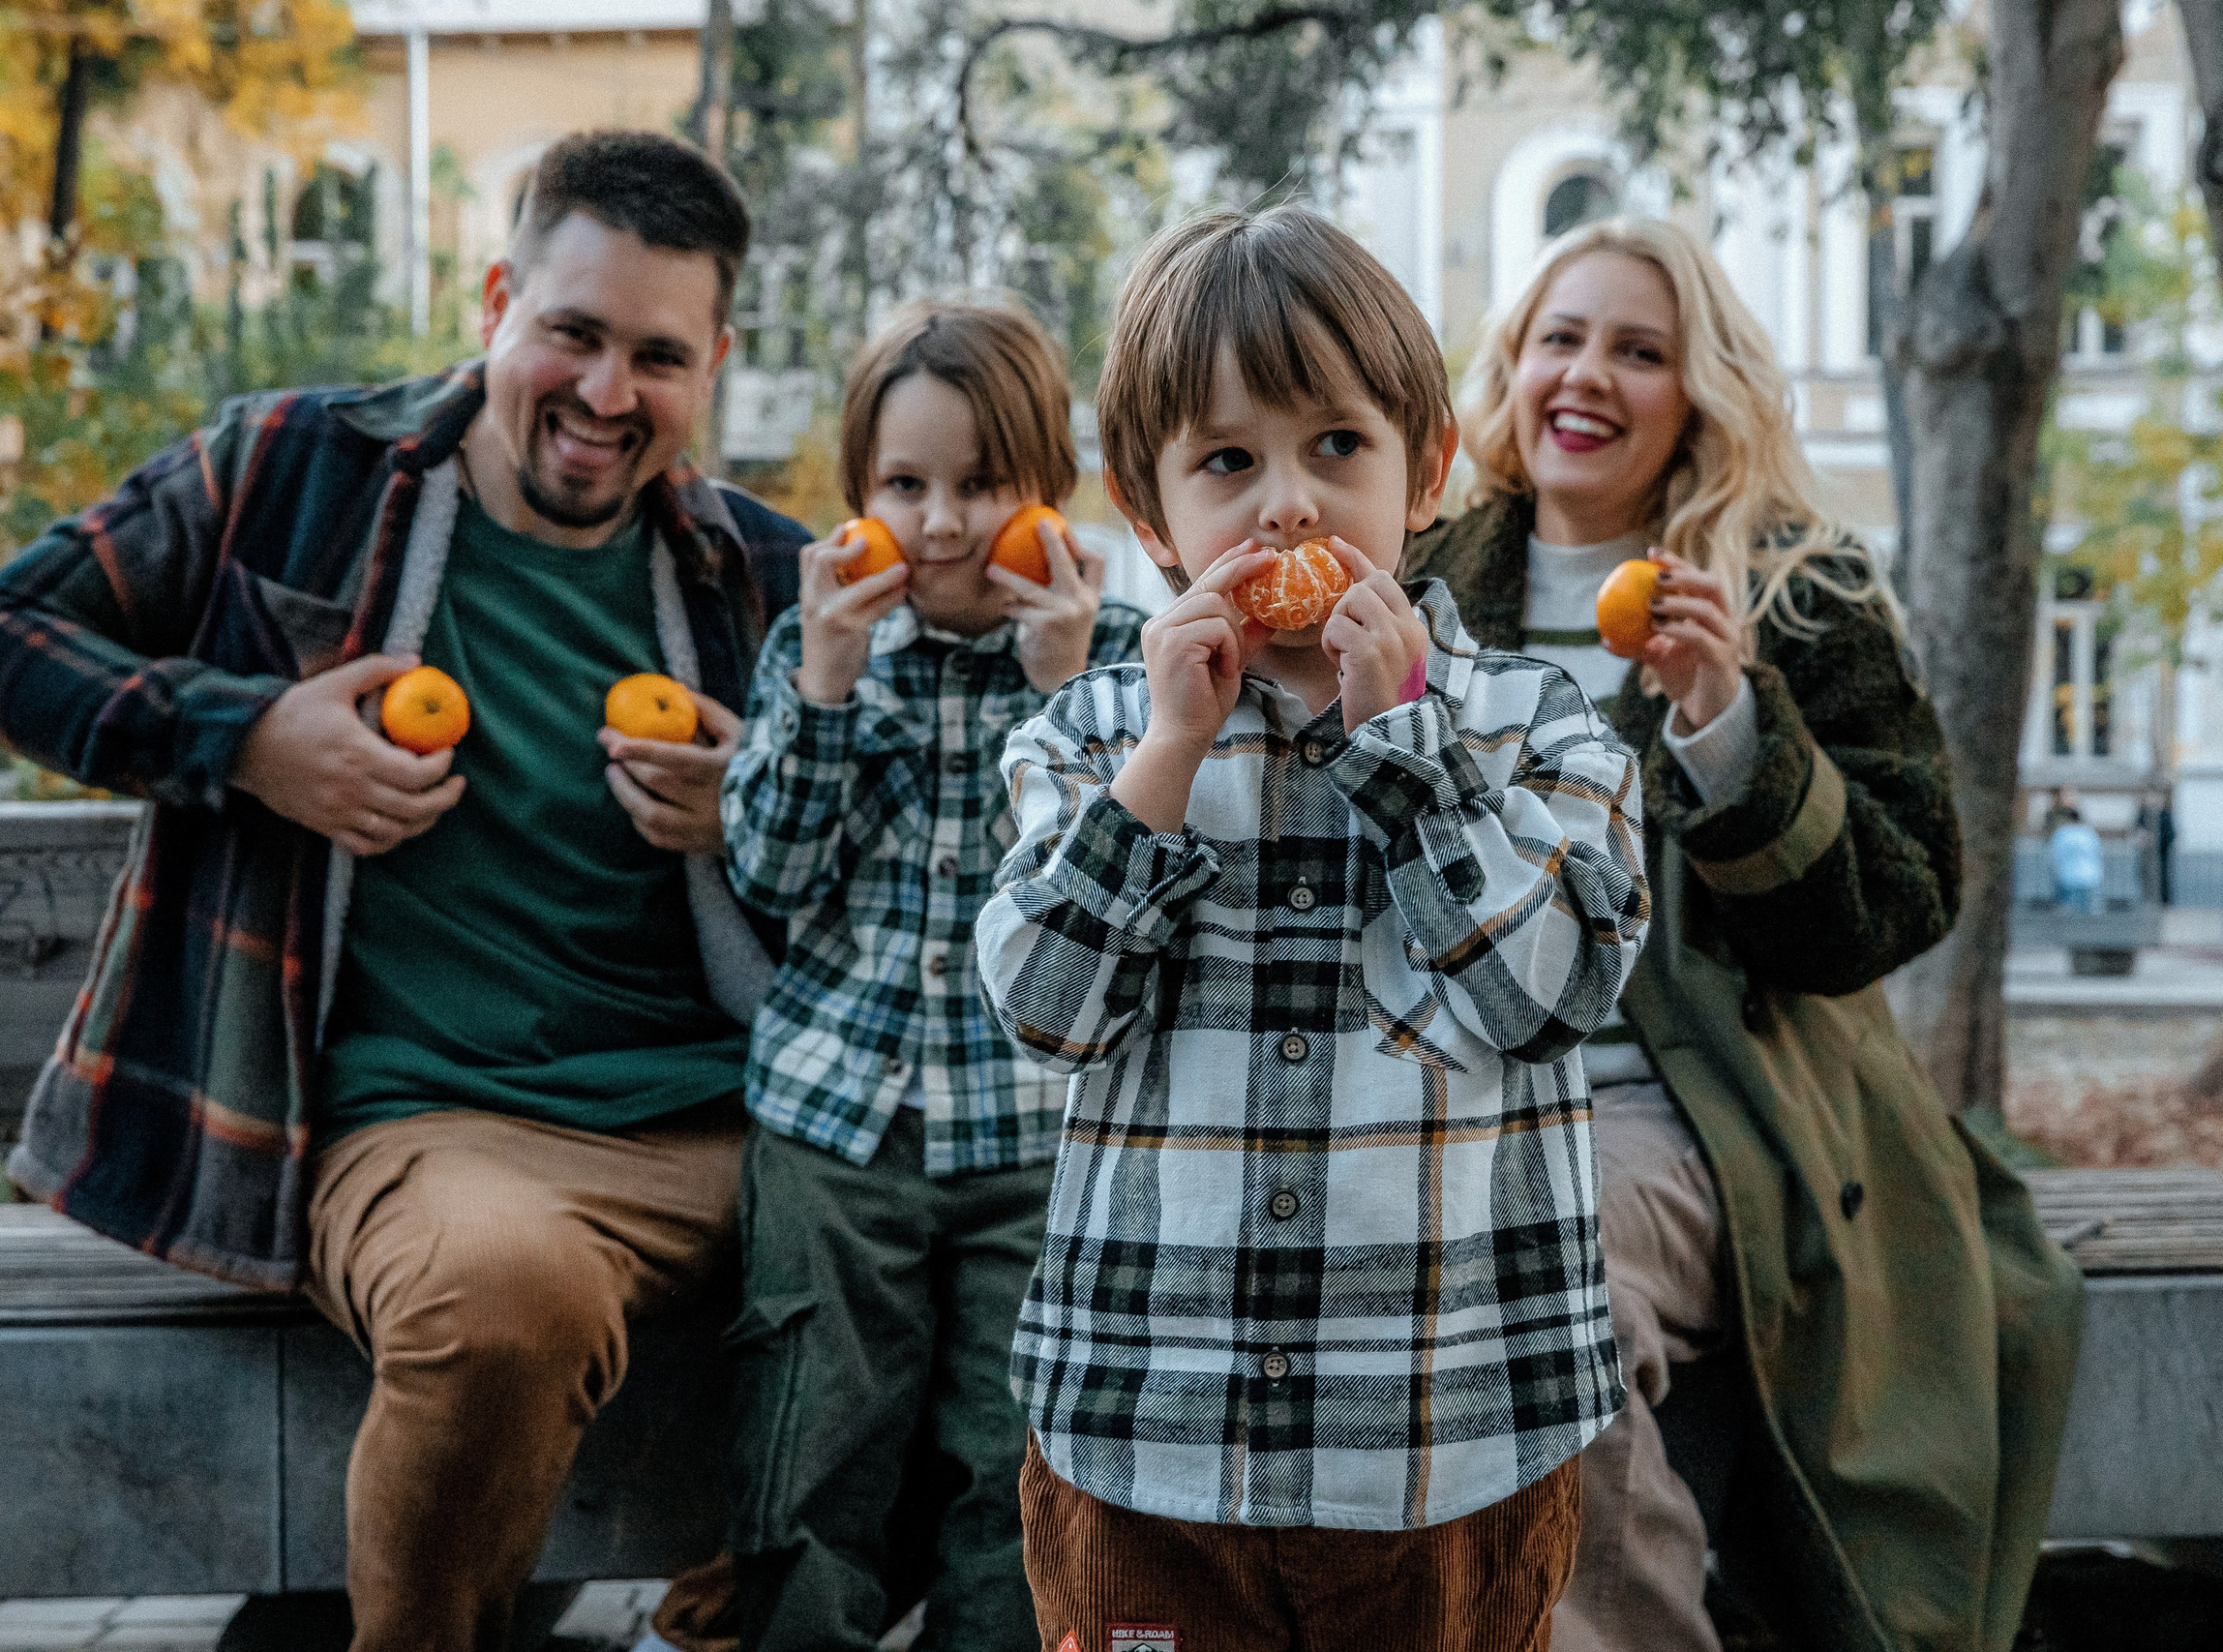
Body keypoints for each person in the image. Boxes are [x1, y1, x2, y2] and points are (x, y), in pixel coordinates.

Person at [0, 130, 809, 1651]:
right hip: (426, 1126)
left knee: (982, 1246)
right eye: (570, 332)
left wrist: (760, 801)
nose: (606, 395)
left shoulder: (760, 575)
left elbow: (958, 816)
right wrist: (245, 739)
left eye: (658, 355)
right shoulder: (295, 469)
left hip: (727, 1126)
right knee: (507, 1303)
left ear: (716, 358)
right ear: (498, 296)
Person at [975, 205, 1652, 1651]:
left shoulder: (1540, 729)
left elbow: (1543, 1002)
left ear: (1428, 473)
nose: (1288, 505)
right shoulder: (1091, 738)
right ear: (1148, 517)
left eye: (1336, 446)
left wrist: (1408, 747)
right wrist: (1163, 764)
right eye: (1229, 460)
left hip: (1444, 1442)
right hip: (1147, 1440)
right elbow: (1041, 1007)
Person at [1403, 217, 2084, 1652]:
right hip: (1442, 1095)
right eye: (1562, 339)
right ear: (1513, 368)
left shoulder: (1793, 590)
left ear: (1696, 392)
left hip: (1694, 1107)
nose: (1590, 375)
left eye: (1639, 351)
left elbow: (1899, 903)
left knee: (1539, 1276)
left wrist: (1729, 724)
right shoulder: (1423, 585)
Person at [717, 297, 1148, 1650]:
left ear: (1049, 492)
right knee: (809, 1459)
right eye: (907, 485)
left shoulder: (1121, 662)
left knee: (1013, 1475)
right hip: (838, 1132)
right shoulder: (822, 646)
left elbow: (1118, 908)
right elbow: (774, 883)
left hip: (1038, 1140)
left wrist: (1057, 688)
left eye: (983, 484)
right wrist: (830, 691)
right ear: (858, 496)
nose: (948, 524)